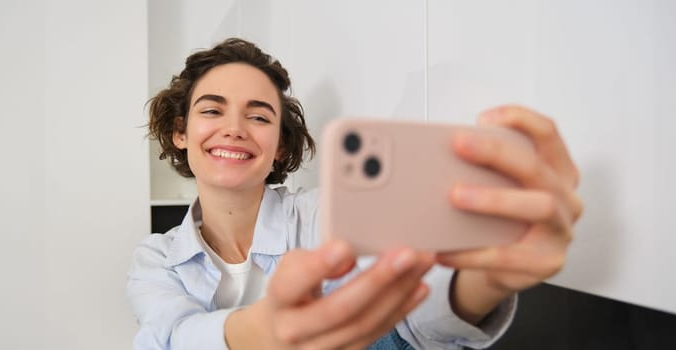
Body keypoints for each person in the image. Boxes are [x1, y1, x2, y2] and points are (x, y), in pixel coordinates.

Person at [127, 38, 583, 350]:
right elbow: (173, 337)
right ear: (180, 132)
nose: (234, 129)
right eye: (212, 110)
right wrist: (266, 331)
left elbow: (411, 318)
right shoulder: (156, 260)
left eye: (260, 117)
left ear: (280, 145)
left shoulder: (329, 213)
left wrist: (489, 280)